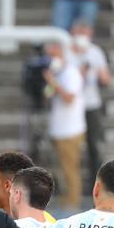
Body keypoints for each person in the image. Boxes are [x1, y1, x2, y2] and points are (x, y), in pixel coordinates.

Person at [44, 41, 86, 211]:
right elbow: (48, 95)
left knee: (70, 169)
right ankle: (66, 200)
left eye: (54, 55)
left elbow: (70, 98)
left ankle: (73, 204)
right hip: (59, 129)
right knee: (62, 169)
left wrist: (53, 82)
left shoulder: (71, 73)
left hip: (71, 130)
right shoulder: (59, 73)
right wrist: (50, 84)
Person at [71, 21, 111, 192]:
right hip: (73, 107)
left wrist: (95, 68)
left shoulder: (95, 52)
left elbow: (106, 79)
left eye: (85, 32)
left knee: (94, 145)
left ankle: (96, 182)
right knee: (74, 147)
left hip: (91, 104)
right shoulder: (68, 52)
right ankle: (75, 185)